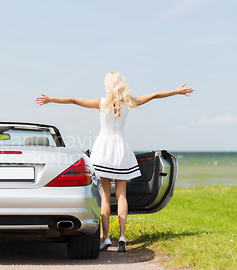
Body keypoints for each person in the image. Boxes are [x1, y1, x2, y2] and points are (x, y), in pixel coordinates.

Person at [35, 71, 193, 252]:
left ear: (108, 86)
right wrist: (175, 91)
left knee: (104, 195)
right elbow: (154, 95)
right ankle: (123, 237)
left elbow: (74, 100)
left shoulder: (101, 103)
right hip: (121, 148)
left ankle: (106, 238)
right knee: (122, 195)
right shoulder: (128, 103)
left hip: (103, 149)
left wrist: (52, 99)